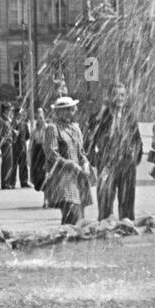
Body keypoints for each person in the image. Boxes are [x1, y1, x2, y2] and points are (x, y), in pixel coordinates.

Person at [89, 83, 143, 221]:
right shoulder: (101, 116)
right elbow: (90, 138)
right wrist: (95, 160)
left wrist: (133, 159)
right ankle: (106, 229)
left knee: (127, 202)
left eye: (122, 95)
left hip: (126, 164)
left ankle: (126, 227)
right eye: (116, 94)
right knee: (105, 200)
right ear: (109, 97)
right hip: (107, 164)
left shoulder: (129, 117)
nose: (119, 98)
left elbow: (137, 140)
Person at [43, 96, 94, 226]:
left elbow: (81, 153)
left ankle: (67, 243)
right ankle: (66, 242)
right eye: (68, 110)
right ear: (59, 112)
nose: (73, 112)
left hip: (78, 179)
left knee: (79, 219)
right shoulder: (52, 128)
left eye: (72, 109)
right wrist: (71, 165)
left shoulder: (75, 128)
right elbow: (52, 155)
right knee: (72, 214)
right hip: (63, 179)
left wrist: (86, 165)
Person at [0, 104, 15, 189]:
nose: (11, 111)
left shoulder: (8, 120)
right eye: (10, 110)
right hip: (6, 144)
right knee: (6, 165)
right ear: (5, 110)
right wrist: (3, 140)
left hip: (10, 144)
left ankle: (8, 182)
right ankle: (5, 183)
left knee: (10, 164)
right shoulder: (1, 120)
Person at [31, 108, 48, 200]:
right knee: (39, 176)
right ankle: (46, 196)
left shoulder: (48, 128)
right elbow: (31, 144)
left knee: (46, 175)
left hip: (45, 153)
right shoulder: (34, 130)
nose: (39, 119)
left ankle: (46, 199)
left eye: (41, 117)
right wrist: (30, 158)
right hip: (37, 154)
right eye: (38, 117)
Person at [13, 105, 31, 188]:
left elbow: (27, 135)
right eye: (19, 114)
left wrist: (23, 143)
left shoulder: (24, 124)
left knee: (23, 166)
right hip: (14, 148)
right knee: (13, 166)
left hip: (23, 147)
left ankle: (24, 182)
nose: (20, 116)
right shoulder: (12, 124)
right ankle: (11, 182)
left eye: (21, 114)